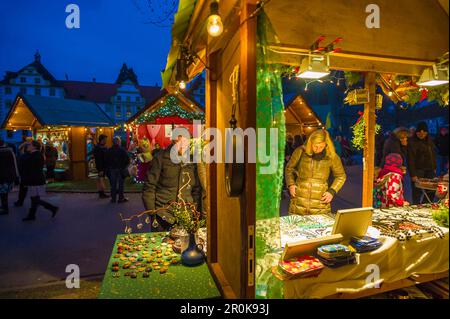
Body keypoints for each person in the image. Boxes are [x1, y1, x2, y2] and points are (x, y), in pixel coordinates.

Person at [142, 134, 202, 231]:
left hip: (185, 215)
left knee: (184, 245)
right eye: (180, 142)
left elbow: (196, 189)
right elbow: (149, 185)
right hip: (162, 214)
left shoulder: (192, 161)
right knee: (160, 244)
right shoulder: (160, 158)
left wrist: (194, 208)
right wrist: (152, 212)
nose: (184, 146)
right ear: (173, 142)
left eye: (186, 143)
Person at [285, 129, 347, 215]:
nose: (318, 149)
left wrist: (332, 191)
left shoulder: (332, 157)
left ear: (326, 145)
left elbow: (341, 176)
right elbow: (289, 169)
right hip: (298, 201)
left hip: (320, 203)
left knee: (320, 228)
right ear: (311, 143)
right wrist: (291, 184)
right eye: (315, 146)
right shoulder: (300, 151)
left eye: (321, 147)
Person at [22, 141, 59, 221]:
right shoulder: (36, 155)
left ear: (34, 147)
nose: (28, 146)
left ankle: (52, 208)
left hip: (35, 180)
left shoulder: (35, 155)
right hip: (36, 180)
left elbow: (29, 166)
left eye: (30, 145)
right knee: (34, 198)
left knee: (35, 199)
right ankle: (31, 215)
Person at [407, 122, 437, 205]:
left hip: (430, 170)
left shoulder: (430, 142)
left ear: (427, 132)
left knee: (432, 189)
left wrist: (434, 168)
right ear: (416, 132)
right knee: (417, 191)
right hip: (418, 170)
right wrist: (412, 174)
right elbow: (410, 159)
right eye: (419, 132)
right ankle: (416, 205)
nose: (421, 134)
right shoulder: (412, 142)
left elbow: (433, 155)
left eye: (424, 132)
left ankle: (425, 204)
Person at [105, 136, 130, 203]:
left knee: (113, 185)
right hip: (121, 169)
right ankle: (120, 198)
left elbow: (106, 160)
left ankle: (113, 199)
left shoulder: (109, 150)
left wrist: (109, 167)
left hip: (112, 169)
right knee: (121, 184)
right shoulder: (122, 150)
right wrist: (124, 166)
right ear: (119, 142)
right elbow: (127, 160)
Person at [0, 139, 19, 215]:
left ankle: (5, 209)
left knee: (3, 193)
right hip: (8, 175)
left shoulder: (3, 153)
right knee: (4, 193)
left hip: (2, 176)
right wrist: (16, 176)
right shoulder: (9, 151)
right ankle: (4, 207)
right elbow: (14, 164)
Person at [93, 134, 109, 199]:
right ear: (102, 140)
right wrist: (100, 169)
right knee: (101, 179)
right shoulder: (99, 148)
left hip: (103, 166)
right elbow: (98, 160)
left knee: (100, 179)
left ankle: (101, 193)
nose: (106, 141)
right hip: (101, 167)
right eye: (105, 139)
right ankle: (102, 193)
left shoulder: (100, 147)